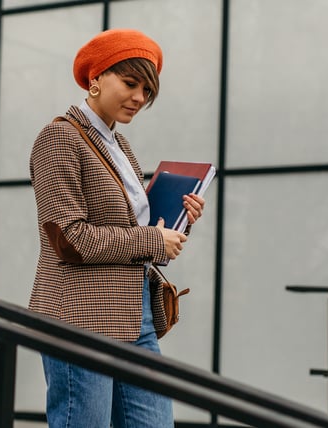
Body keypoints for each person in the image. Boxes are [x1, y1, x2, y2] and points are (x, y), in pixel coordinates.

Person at [28, 28, 206, 428]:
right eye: (130, 84)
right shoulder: (59, 137)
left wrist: (177, 226)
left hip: (134, 315)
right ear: (95, 79)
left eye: (147, 90)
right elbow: (70, 238)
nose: (139, 98)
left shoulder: (119, 144)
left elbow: (132, 231)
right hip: (80, 316)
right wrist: (152, 238)